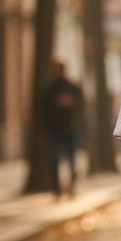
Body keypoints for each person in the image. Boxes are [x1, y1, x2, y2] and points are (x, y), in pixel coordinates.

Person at [41, 57, 85, 198]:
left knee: (72, 160)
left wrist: (71, 104)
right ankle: (57, 189)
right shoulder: (49, 89)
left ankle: (71, 187)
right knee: (54, 160)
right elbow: (42, 109)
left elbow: (81, 107)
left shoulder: (73, 87)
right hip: (54, 129)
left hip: (71, 129)